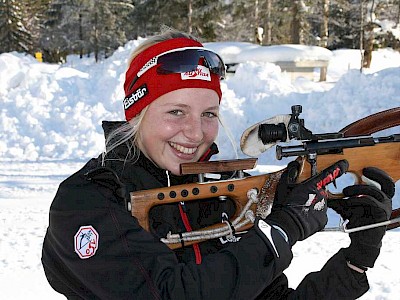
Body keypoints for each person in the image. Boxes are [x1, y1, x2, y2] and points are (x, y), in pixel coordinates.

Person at [41, 30, 394, 300]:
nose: (195, 133)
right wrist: (281, 230)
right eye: (176, 112)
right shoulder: (88, 199)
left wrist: (355, 261)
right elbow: (169, 293)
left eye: (208, 114)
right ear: (137, 113)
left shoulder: (222, 192)